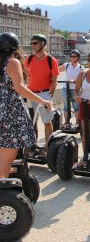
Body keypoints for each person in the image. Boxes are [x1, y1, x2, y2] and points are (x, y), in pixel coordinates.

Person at [0, 32, 51, 178]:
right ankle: (4, 193)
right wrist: (43, 101)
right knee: (6, 159)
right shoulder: (12, 62)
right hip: (11, 114)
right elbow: (20, 88)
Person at [24, 34, 59, 151]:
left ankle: (47, 147)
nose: (32, 45)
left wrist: (50, 95)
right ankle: (33, 145)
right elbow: (24, 76)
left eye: (35, 43)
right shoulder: (28, 59)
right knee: (31, 121)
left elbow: (54, 79)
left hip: (44, 94)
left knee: (47, 122)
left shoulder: (51, 60)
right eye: (32, 43)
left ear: (43, 44)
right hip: (30, 94)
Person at [58, 49, 84, 125]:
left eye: (74, 56)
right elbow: (57, 70)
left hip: (75, 89)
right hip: (65, 87)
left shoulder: (80, 68)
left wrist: (74, 80)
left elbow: (80, 77)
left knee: (76, 106)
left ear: (78, 57)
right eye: (71, 56)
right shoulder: (67, 65)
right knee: (66, 105)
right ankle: (66, 122)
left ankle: (77, 122)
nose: (72, 58)